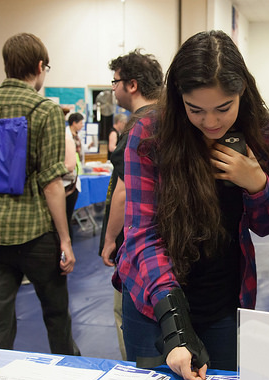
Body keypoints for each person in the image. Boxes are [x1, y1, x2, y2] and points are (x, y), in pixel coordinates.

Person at [114, 30, 269, 380]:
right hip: (154, 301)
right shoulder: (149, 133)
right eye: (196, 110)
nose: (211, 122)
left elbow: (266, 226)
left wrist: (257, 185)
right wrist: (175, 328)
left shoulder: (262, 131)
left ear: (242, 93)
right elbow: (142, 233)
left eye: (223, 108)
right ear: (178, 99)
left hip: (223, 299)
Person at [0, 33, 79, 355]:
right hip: (35, 233)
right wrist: (65, 241)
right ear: (40, 66)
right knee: (57, 317)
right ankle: (68, 378)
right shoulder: (45, 110)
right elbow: (52, 184)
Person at [99, 49, 164, 360]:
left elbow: (123, 192)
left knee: (130, 321)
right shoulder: (168, 121)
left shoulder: (138, 128)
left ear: (132, 84)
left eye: (115, 83)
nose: (113, 89)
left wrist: (111, 239)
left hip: (138, 245)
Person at [62, 113, 82, 244]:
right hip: (65, 182)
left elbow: (72, 164)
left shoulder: (73, 137)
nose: (82, 125)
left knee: (67, 217)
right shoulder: (66, 137)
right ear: (74, 122)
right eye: (80, 122)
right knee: (64, 218)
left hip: (72, 181)